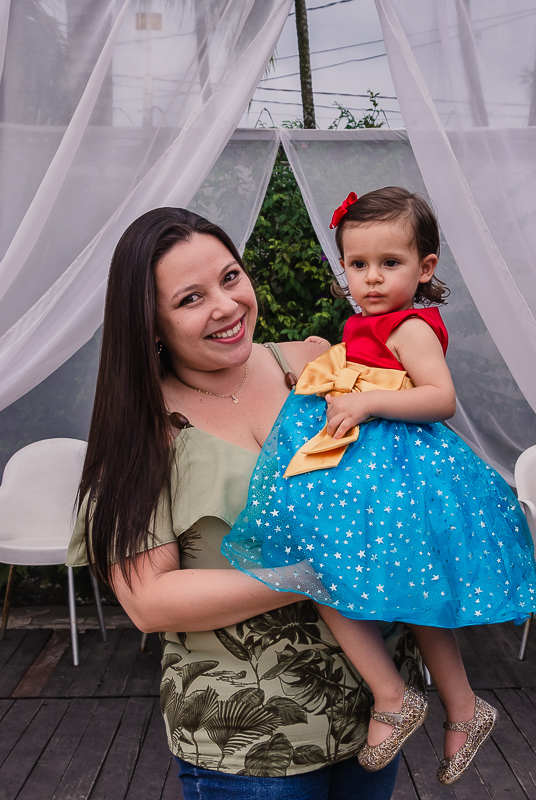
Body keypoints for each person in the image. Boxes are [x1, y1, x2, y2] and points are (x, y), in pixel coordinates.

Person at [67, 206, 423, 800]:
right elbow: (149, 602)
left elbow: (405, 477)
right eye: (190, 299)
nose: (227, 306)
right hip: (249, 745)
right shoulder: (141, 433)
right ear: (148, 323)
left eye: (231, 277)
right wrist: (310, 572)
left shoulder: (316, 362)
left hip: (374, 718)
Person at [221, 187, 536, 785]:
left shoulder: (412, 327)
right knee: (355, 580)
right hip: (366, 474)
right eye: (357, 264)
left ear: (425, 269)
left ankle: (413, 700)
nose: (370, 279)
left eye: (389, 264)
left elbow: (440, 398)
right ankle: (443, 704)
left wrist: (366, 399)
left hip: (402, 476)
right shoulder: (368, 323)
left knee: (343, 576)